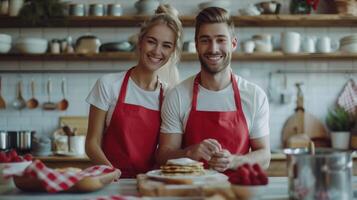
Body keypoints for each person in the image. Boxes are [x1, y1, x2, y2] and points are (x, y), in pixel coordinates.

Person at [156, 7, 271, 173]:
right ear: (196, 45)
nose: (213, 48)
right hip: (191, 192)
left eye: (220, 40)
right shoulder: (178, 95)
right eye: (205, 40)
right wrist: (189, 153)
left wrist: (235, 161)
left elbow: (264, 157)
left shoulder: (254, 96)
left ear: (233, 44)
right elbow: (162, 156)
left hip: (237, 193)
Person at [85, 4, 183, 178]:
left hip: (150, 183)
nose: (157, 51)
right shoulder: (108, 84)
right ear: (140, 42)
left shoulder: (169, 95)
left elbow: (167, 149)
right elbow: (92, 143)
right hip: (110, 180)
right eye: (151, 41)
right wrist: (112, 173)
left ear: (172, 51)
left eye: (166, 45)